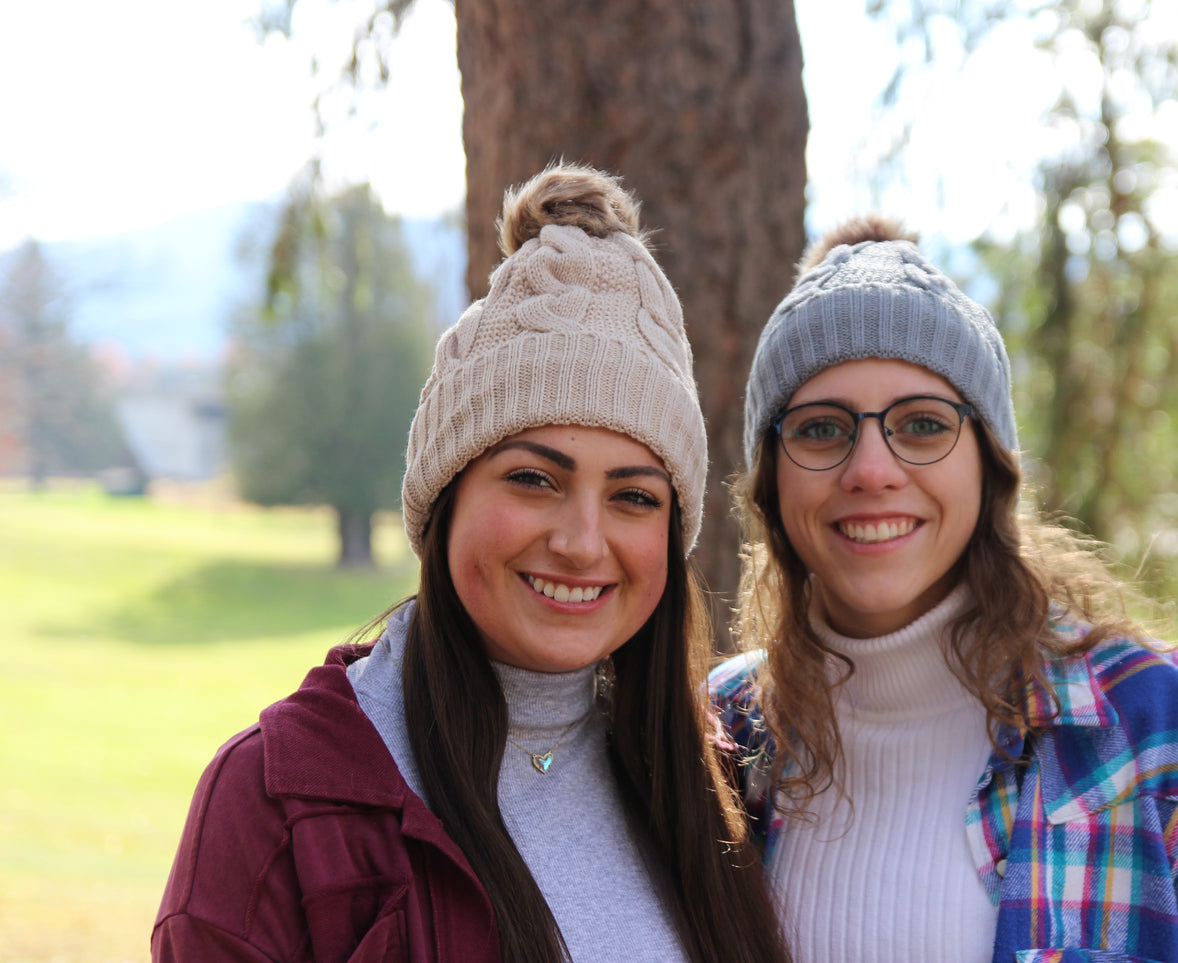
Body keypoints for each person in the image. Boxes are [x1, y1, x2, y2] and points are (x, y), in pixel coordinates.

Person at [154, 164, 790, 963]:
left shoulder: (715, 786)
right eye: (533, 478)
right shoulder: (279, 802)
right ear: (443, 496)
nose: (582, 540)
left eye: (633, 497)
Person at [710, 215, 1178, 963]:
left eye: (922, 424)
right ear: (770, 479)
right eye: (820, 429)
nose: (870, 469)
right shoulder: (719, 738)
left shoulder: (1165, 731)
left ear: (988, 466)